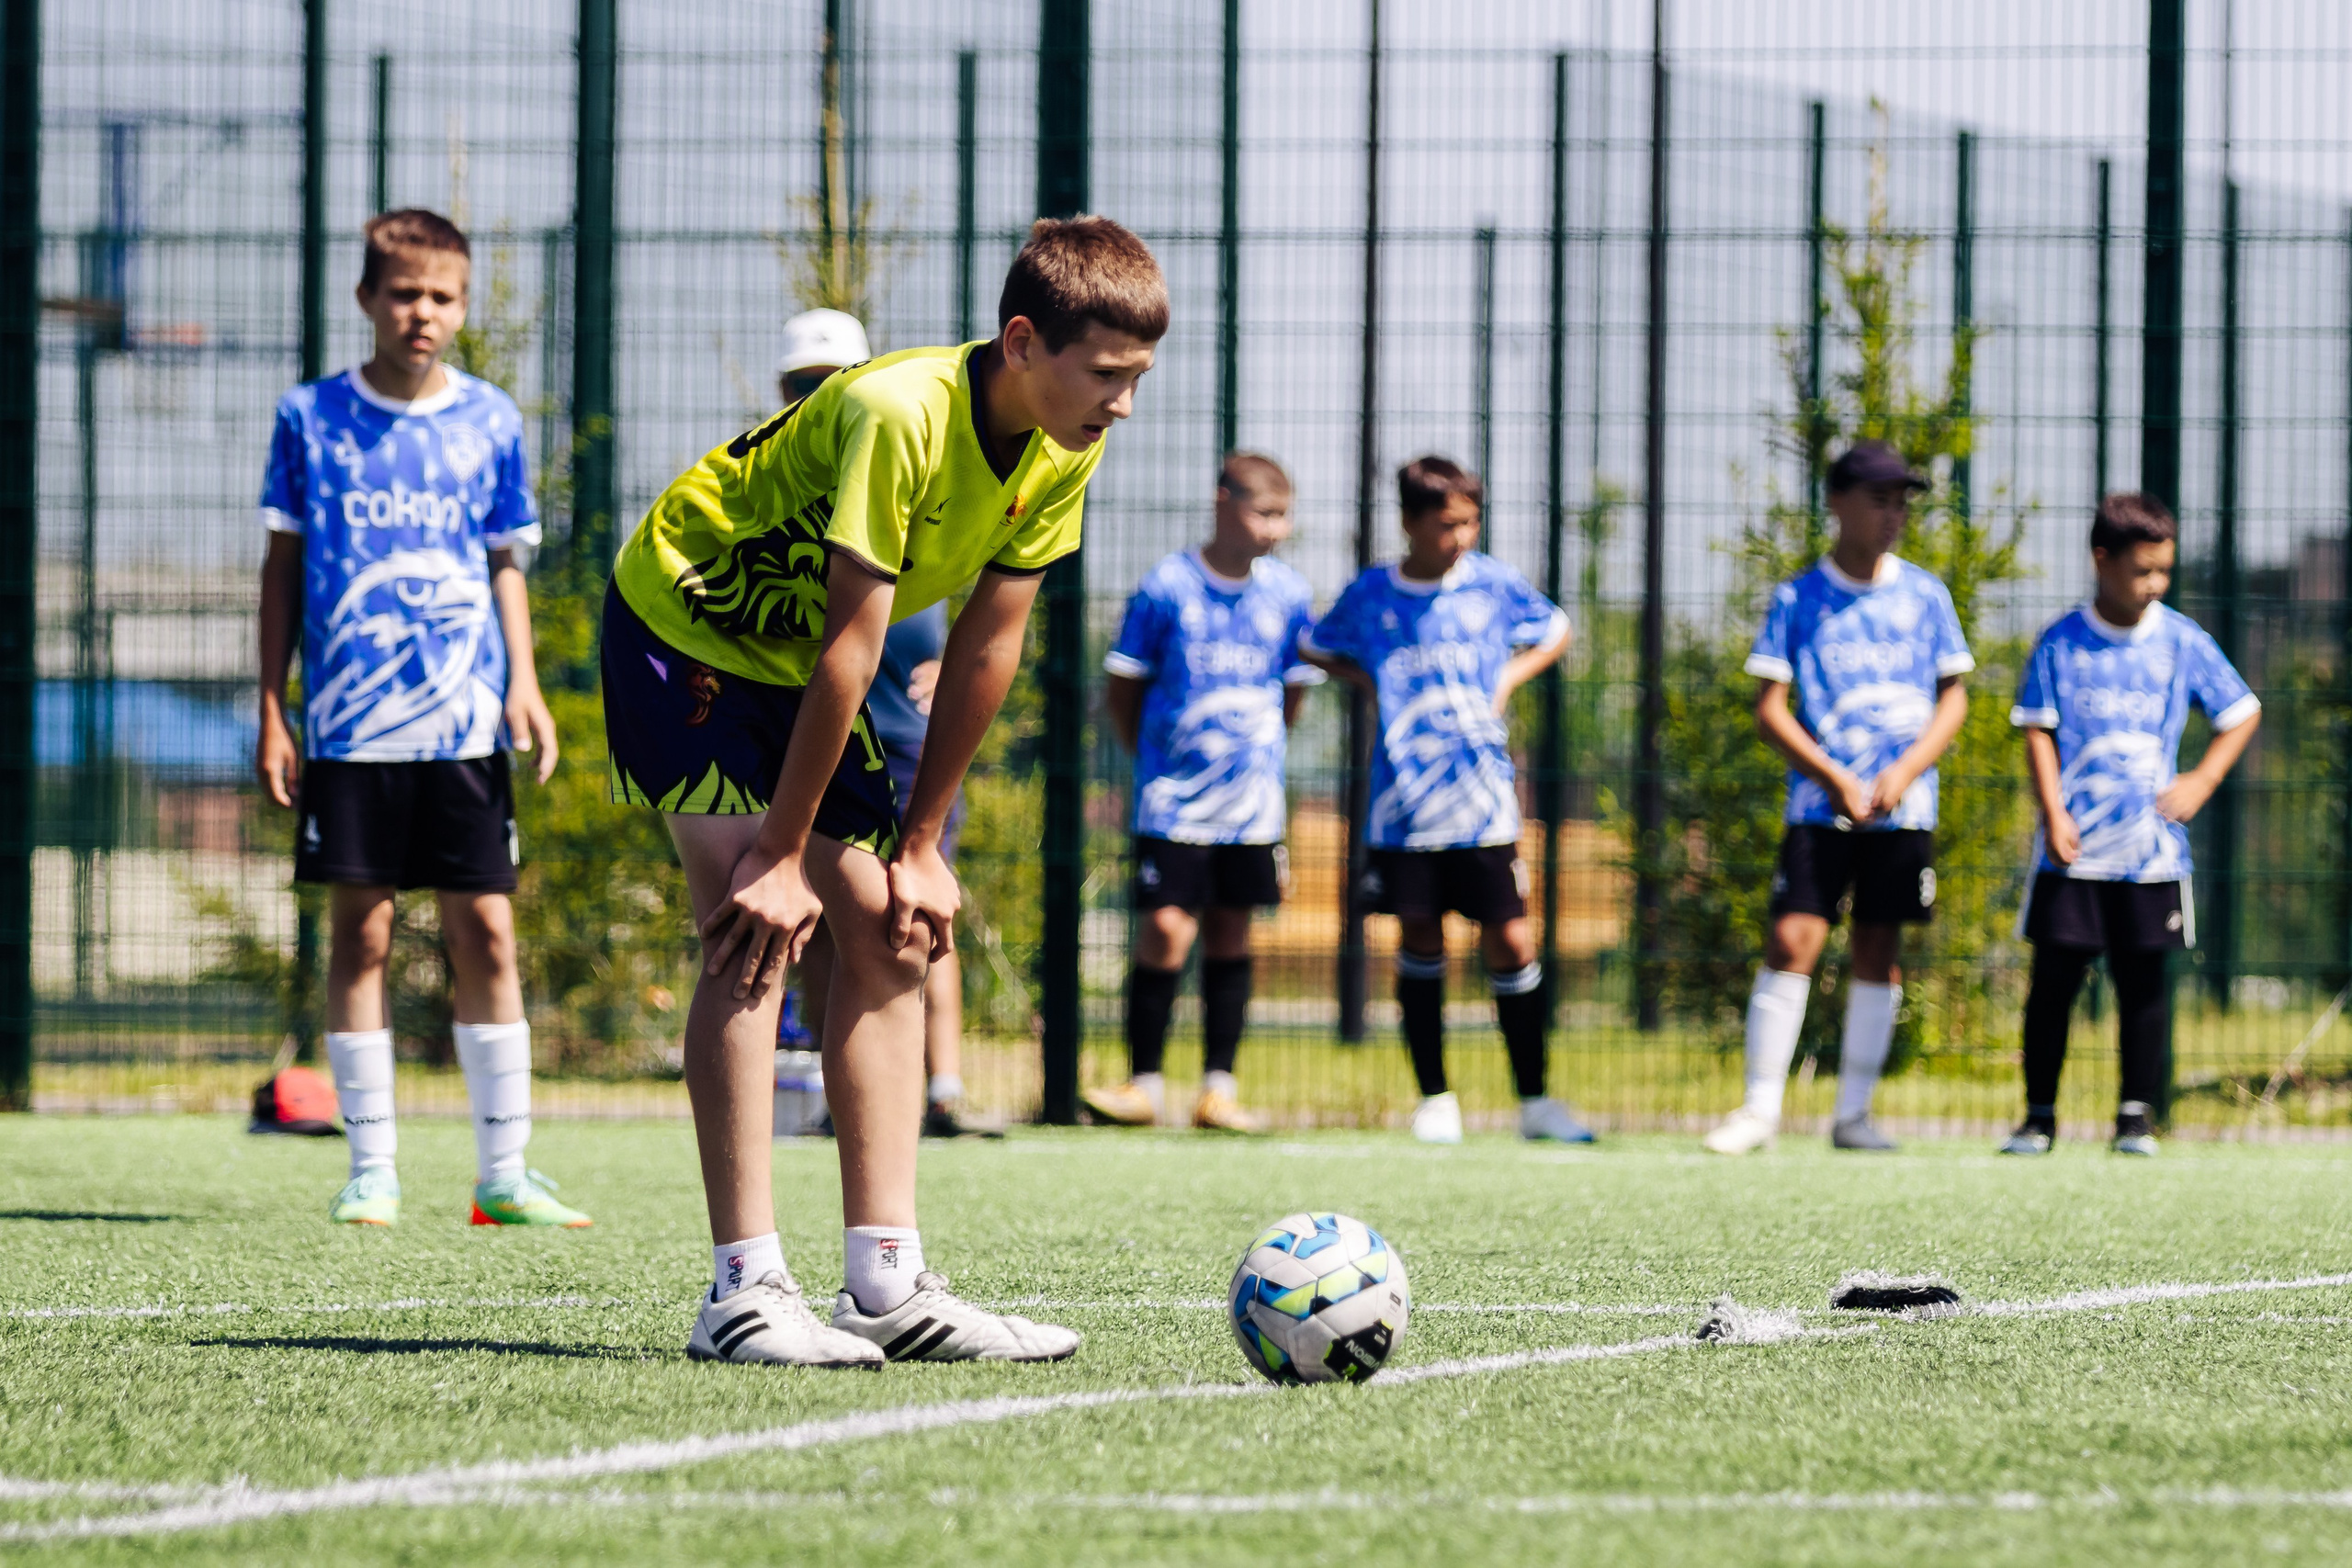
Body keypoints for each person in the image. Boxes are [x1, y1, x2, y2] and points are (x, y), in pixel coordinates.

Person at [603, 216, 1166, 1366]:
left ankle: (888, 1283)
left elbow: (984, 647)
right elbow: (852, 652)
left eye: (1137, 377)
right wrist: (774, 854)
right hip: (688, 631)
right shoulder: (897, 412)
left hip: (800, 664)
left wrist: (922, 843)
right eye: (1106, 374)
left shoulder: (1067, 439)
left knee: (891, 932)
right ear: (1022, 341)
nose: (1122, 402)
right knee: (746, 924)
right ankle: (743, 1292)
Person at [255, 209, 585, 1229]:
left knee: (486, 926)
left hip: (463, 726)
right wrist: (275, 708)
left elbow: (504, 565)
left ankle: (503, 1176)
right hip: (351, 731)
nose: (423, 313)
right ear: (366, 299)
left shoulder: (490, 419)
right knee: (361, 936)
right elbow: (280, 574)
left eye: (442, 295)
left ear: (463, 303)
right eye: (404, 293)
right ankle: (373, 1170)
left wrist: (522, 682)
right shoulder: (309, 418)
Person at [1301, 456, 1588, 1145]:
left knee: (1512, 938)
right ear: (1410, 522)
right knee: (1420, 937)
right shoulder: (1372, 595)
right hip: (1403, 807)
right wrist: (1369, 681)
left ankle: (1536, 1100)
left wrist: (1509, 678)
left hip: (1484, 802)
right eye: (1447, 523)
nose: (1461, 536)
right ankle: (1436, 1098)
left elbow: (1555, 628)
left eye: (1470, 521)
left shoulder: (1492, 584)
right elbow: (1313, 644)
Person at [1702, 441, 1973, 1156]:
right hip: (1819, 810)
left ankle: (1853, 1113)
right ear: (1838, 502)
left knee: (1879, 948)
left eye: (1901, 503)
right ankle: (1760, 1109)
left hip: (1903, 810)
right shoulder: (1798, 597)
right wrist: (1835, 778)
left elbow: (1954, 699)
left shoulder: (1925, 595)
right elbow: (1770, 707)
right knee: (1794, 938)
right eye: (1879, 501)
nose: (1893, 516)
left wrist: (1907, 769)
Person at [774, 310, 989, 1140]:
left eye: (837, 380)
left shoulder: (910, 466)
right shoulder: (779, 488)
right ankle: (841, 1092)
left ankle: (942, 1088)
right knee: (829, 922)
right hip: (811, 747)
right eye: (803, 384)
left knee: (921, 917)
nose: (820, 396)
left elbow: (984, 605)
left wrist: (947, 662)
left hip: (901, 745)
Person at [2002, 492, 2259, 1157]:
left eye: (2163, 571)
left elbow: (2240, 711)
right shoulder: (2061, 641)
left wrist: (2202, 779)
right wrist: (2053, 810)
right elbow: (2037, 729)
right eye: (2142, 569)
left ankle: (2136, 1117)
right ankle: (2038, 1117)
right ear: (2102, 560)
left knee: (2143, 983)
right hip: (2074, 850)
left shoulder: (2180, 639)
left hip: (2151, 854)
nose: (2154, 584)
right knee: (2054, 982)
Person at [1084, 452, 1322, 1134]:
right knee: (1164, 927)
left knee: (1231, 931)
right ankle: (1145, 1083)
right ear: (1224, 504)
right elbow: (1124, 687)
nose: (1275, 529)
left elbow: (1295, 690)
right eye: (1263, 513)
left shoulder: (1289, 594)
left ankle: (1218, 1087)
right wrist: (1154, 757)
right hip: (1173, 800)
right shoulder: (1166, 586)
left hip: (1252, 807)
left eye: (1283, 516)